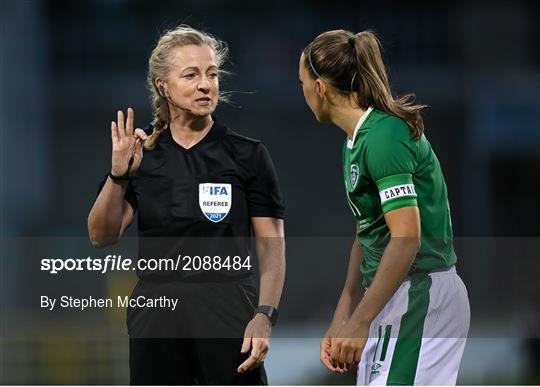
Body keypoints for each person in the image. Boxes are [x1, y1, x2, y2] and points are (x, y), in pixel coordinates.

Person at [88, 25, 285, 385]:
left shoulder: (248, 155)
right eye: (191, 75)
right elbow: (102, 235)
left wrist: (265, 314)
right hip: (157, 315)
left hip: (229, 312)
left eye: (212, 74)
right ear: (163, 85)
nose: (205, 84)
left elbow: (272, 246)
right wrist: (118, 176)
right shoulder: (141, 153)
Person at [298, 29, 470, 385]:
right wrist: (345, 310)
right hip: (393, 295)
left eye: (301, 81)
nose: (301, 91)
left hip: (419, 293)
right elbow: (369, 233)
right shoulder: (357, 142)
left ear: (320, 88)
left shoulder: (383, 137)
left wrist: (360, 321)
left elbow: (406, 238)